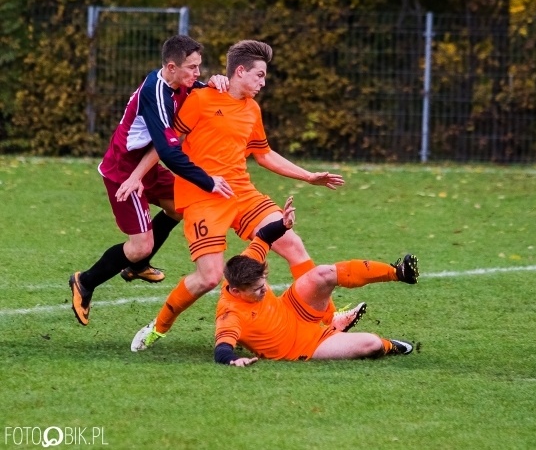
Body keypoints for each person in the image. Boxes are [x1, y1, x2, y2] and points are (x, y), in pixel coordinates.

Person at [130, 39, 351, 351]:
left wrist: (308, 176)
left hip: (242, 193)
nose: (263, 82)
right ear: (241, 71)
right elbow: (167, 143)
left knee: (292, 243)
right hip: (203, 197)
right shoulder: (201, 99)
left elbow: (264, 155)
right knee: (209, 277)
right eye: (259, 75)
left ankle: (329, 319)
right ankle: (159, 327)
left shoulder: (252, 109)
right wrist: (137, 176)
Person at [69, 35, 233, 326]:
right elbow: (169, 152)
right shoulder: (156, 94)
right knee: (139, 245)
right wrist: (207, 181)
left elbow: (201, 92)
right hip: (123, 170)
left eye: (199, 67)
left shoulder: (179, 84)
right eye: (191, 68)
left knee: (178, 207)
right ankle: (85, 281)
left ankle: (138, 267)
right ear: (171, 67)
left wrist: (218, 80)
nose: (197, 73)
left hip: (145, 166)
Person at [213, 204, 418, 365]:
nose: (264, 289)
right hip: (301, 345)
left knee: (322, 273)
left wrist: (283, 224)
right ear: (236, 291)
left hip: (292, 307)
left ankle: (397, 272)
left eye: (264, 284)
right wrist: (233, 360)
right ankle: (389, 345)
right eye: (257, 290)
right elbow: (222, 347)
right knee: (371, 343)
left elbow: (263, 237)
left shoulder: (245, 264)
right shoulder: (230, 315)